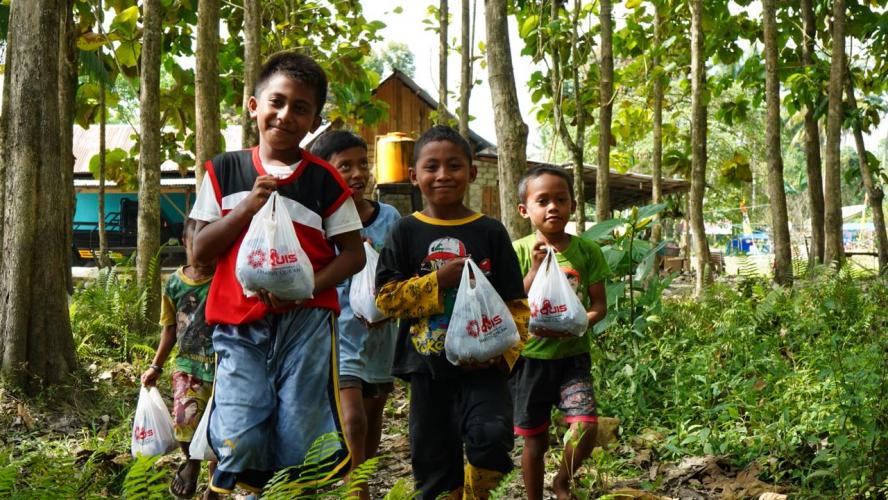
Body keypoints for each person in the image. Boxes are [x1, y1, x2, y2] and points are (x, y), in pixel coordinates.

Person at [188, 52, 366, 496]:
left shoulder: (325, 181)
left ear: (314, 121)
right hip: (236, 322)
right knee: (241, 429)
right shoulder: (225, 170)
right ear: (254, 105)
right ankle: (229, 486)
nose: (286, 115)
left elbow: (353, 256)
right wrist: (247, 205)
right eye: (277, 101)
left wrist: (306, 287)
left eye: (300, 108)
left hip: (305, 324)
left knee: (298, 428)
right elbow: (201, 251)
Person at [375, 125, 530, 499]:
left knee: (492, 439)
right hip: (427, 371)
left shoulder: (491, 231)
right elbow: (385, 299)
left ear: (472, 172)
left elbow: (516, 305)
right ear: (414, 176)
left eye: (454, 166)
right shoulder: (405, 232)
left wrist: (502, 355)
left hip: (485, 371)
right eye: (431, 167)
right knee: (433, 463)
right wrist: (438, 281)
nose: (443, 175)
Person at [309, 130, 400, 499]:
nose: (357, 173)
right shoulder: (317, 220)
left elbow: (400, 269)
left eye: (363, 163)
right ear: (324, 172)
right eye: (344, 166)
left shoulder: (388, 216)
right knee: (353, 419)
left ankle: (358, 474)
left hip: (380, 335)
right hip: (338, 331)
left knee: (372, 414)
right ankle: (357, 492)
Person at [510, 166, 609, 500]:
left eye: (561, 199)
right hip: (530, 361)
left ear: (573, 206)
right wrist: (536, 269)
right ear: (525, 210)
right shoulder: (519, 251)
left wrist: (581, 324)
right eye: (543, 200)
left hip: (573, 358)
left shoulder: (586, 252)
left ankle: (562, 481)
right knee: (534, 439)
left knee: (586, 426)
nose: (553, 207)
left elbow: (598, 306)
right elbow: (511, 304)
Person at [140, 219, 216, 499]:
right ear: (185, 243)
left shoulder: (224, 279)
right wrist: (155, 366)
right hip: (188, 366)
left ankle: (214, 486)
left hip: (222, 368)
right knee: (184, 420)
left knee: (217, 429)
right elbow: (169, 329)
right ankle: (191, 463)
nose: (207, 258)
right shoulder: (174, 283)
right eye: (200, 249)